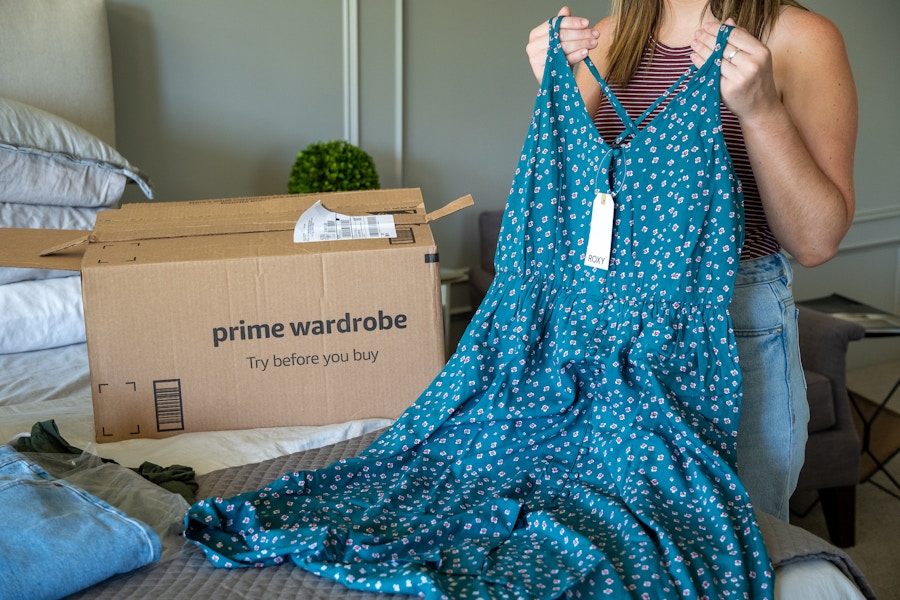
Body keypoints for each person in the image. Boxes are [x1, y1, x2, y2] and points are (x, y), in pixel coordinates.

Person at [525, 1, 857, 521]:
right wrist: (555, 97)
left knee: (736, 540)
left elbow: (816, 241)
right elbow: (569, 209)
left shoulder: (800, 37)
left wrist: (761, 109)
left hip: (730, 319)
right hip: (605, 329)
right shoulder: (607, 40)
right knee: (621, 538)